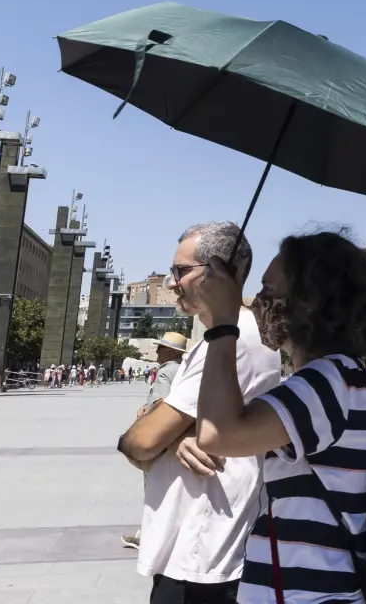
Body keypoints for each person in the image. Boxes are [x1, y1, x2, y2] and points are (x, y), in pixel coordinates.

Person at [194, 231, 366, 604]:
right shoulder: (330, 380)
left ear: (309, 302)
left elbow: (218, 433)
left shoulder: (329, 381)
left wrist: (222, 324)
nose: (257, 303)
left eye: (269, 290)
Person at [118, 223, 281, 602]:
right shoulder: (219, 340)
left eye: (181, 271)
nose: (173, 283)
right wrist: (174, 438)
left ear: (223, 273)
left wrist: (157, 430)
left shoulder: (233, 342)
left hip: (205, 551)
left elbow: (140, 442)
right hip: (193, 548)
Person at [146, 332, 187, 408]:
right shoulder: (185, 368)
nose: (157, 351)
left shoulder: (165, 371)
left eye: (160, 347)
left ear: (171, 351)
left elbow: (160, 404)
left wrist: (146, 408)